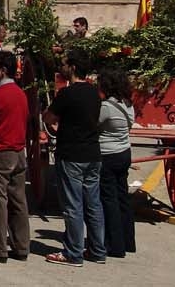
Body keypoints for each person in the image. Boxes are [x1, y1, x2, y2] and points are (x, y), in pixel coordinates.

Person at [46, 52, 106, 266]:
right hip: (92, 153)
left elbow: (49, 117)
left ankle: (73, 252)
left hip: (71, 153)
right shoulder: (94, 93)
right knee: (94, 203)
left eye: (64, 64)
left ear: (72, 67)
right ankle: (98, 250)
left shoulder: (67, 94)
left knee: (73, 205)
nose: (61, 67)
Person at [0, 50, 31, 261]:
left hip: (0, 151)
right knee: (18, 200)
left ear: (2, 71)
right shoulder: (21, 94)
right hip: (19, 151)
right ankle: (21, 245)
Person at [98, 66, 139, 259]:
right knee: (123, 197)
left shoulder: (106, 107)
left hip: (107, 154)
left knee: (109, 199)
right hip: (124, 152)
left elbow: (93, 124)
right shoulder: (129, 105)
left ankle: (115, 244)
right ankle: (128, 241)